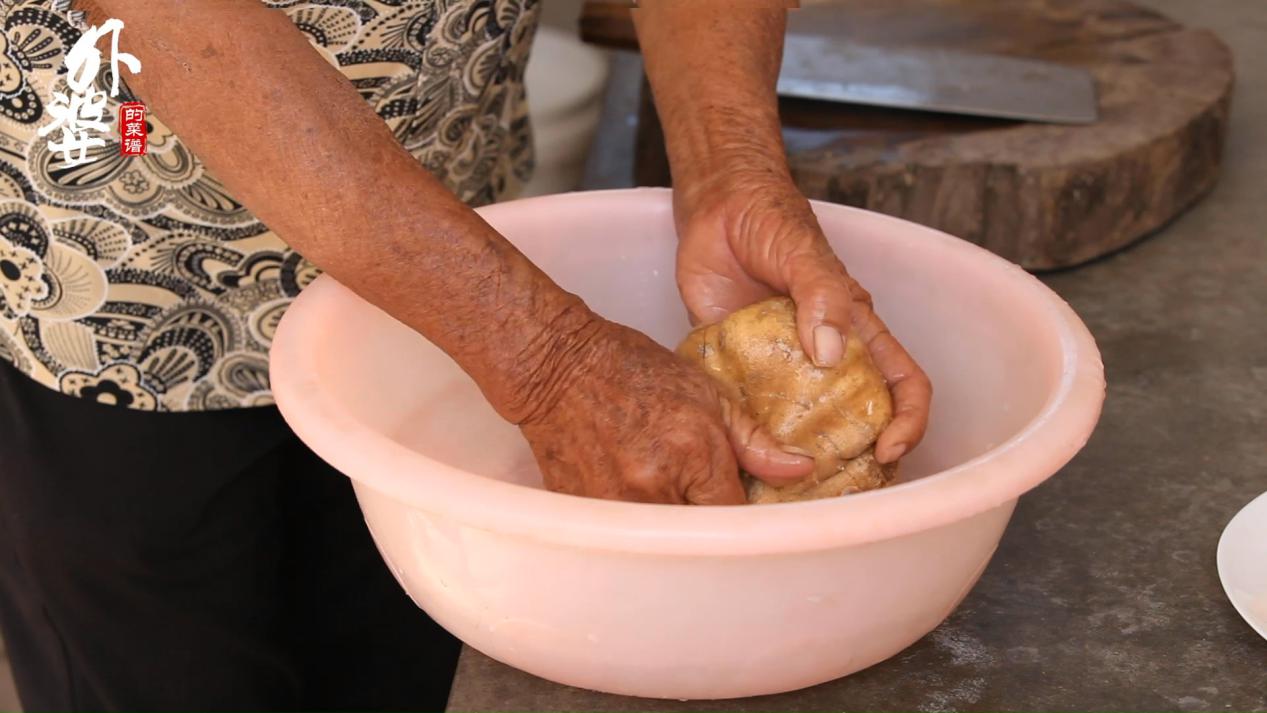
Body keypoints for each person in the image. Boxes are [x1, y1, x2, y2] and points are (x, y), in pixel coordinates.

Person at [0, 0, 932, 709]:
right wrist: (549, 358)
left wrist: (729, 163)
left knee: (406, 665)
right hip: (131, 289)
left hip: (452, 274)